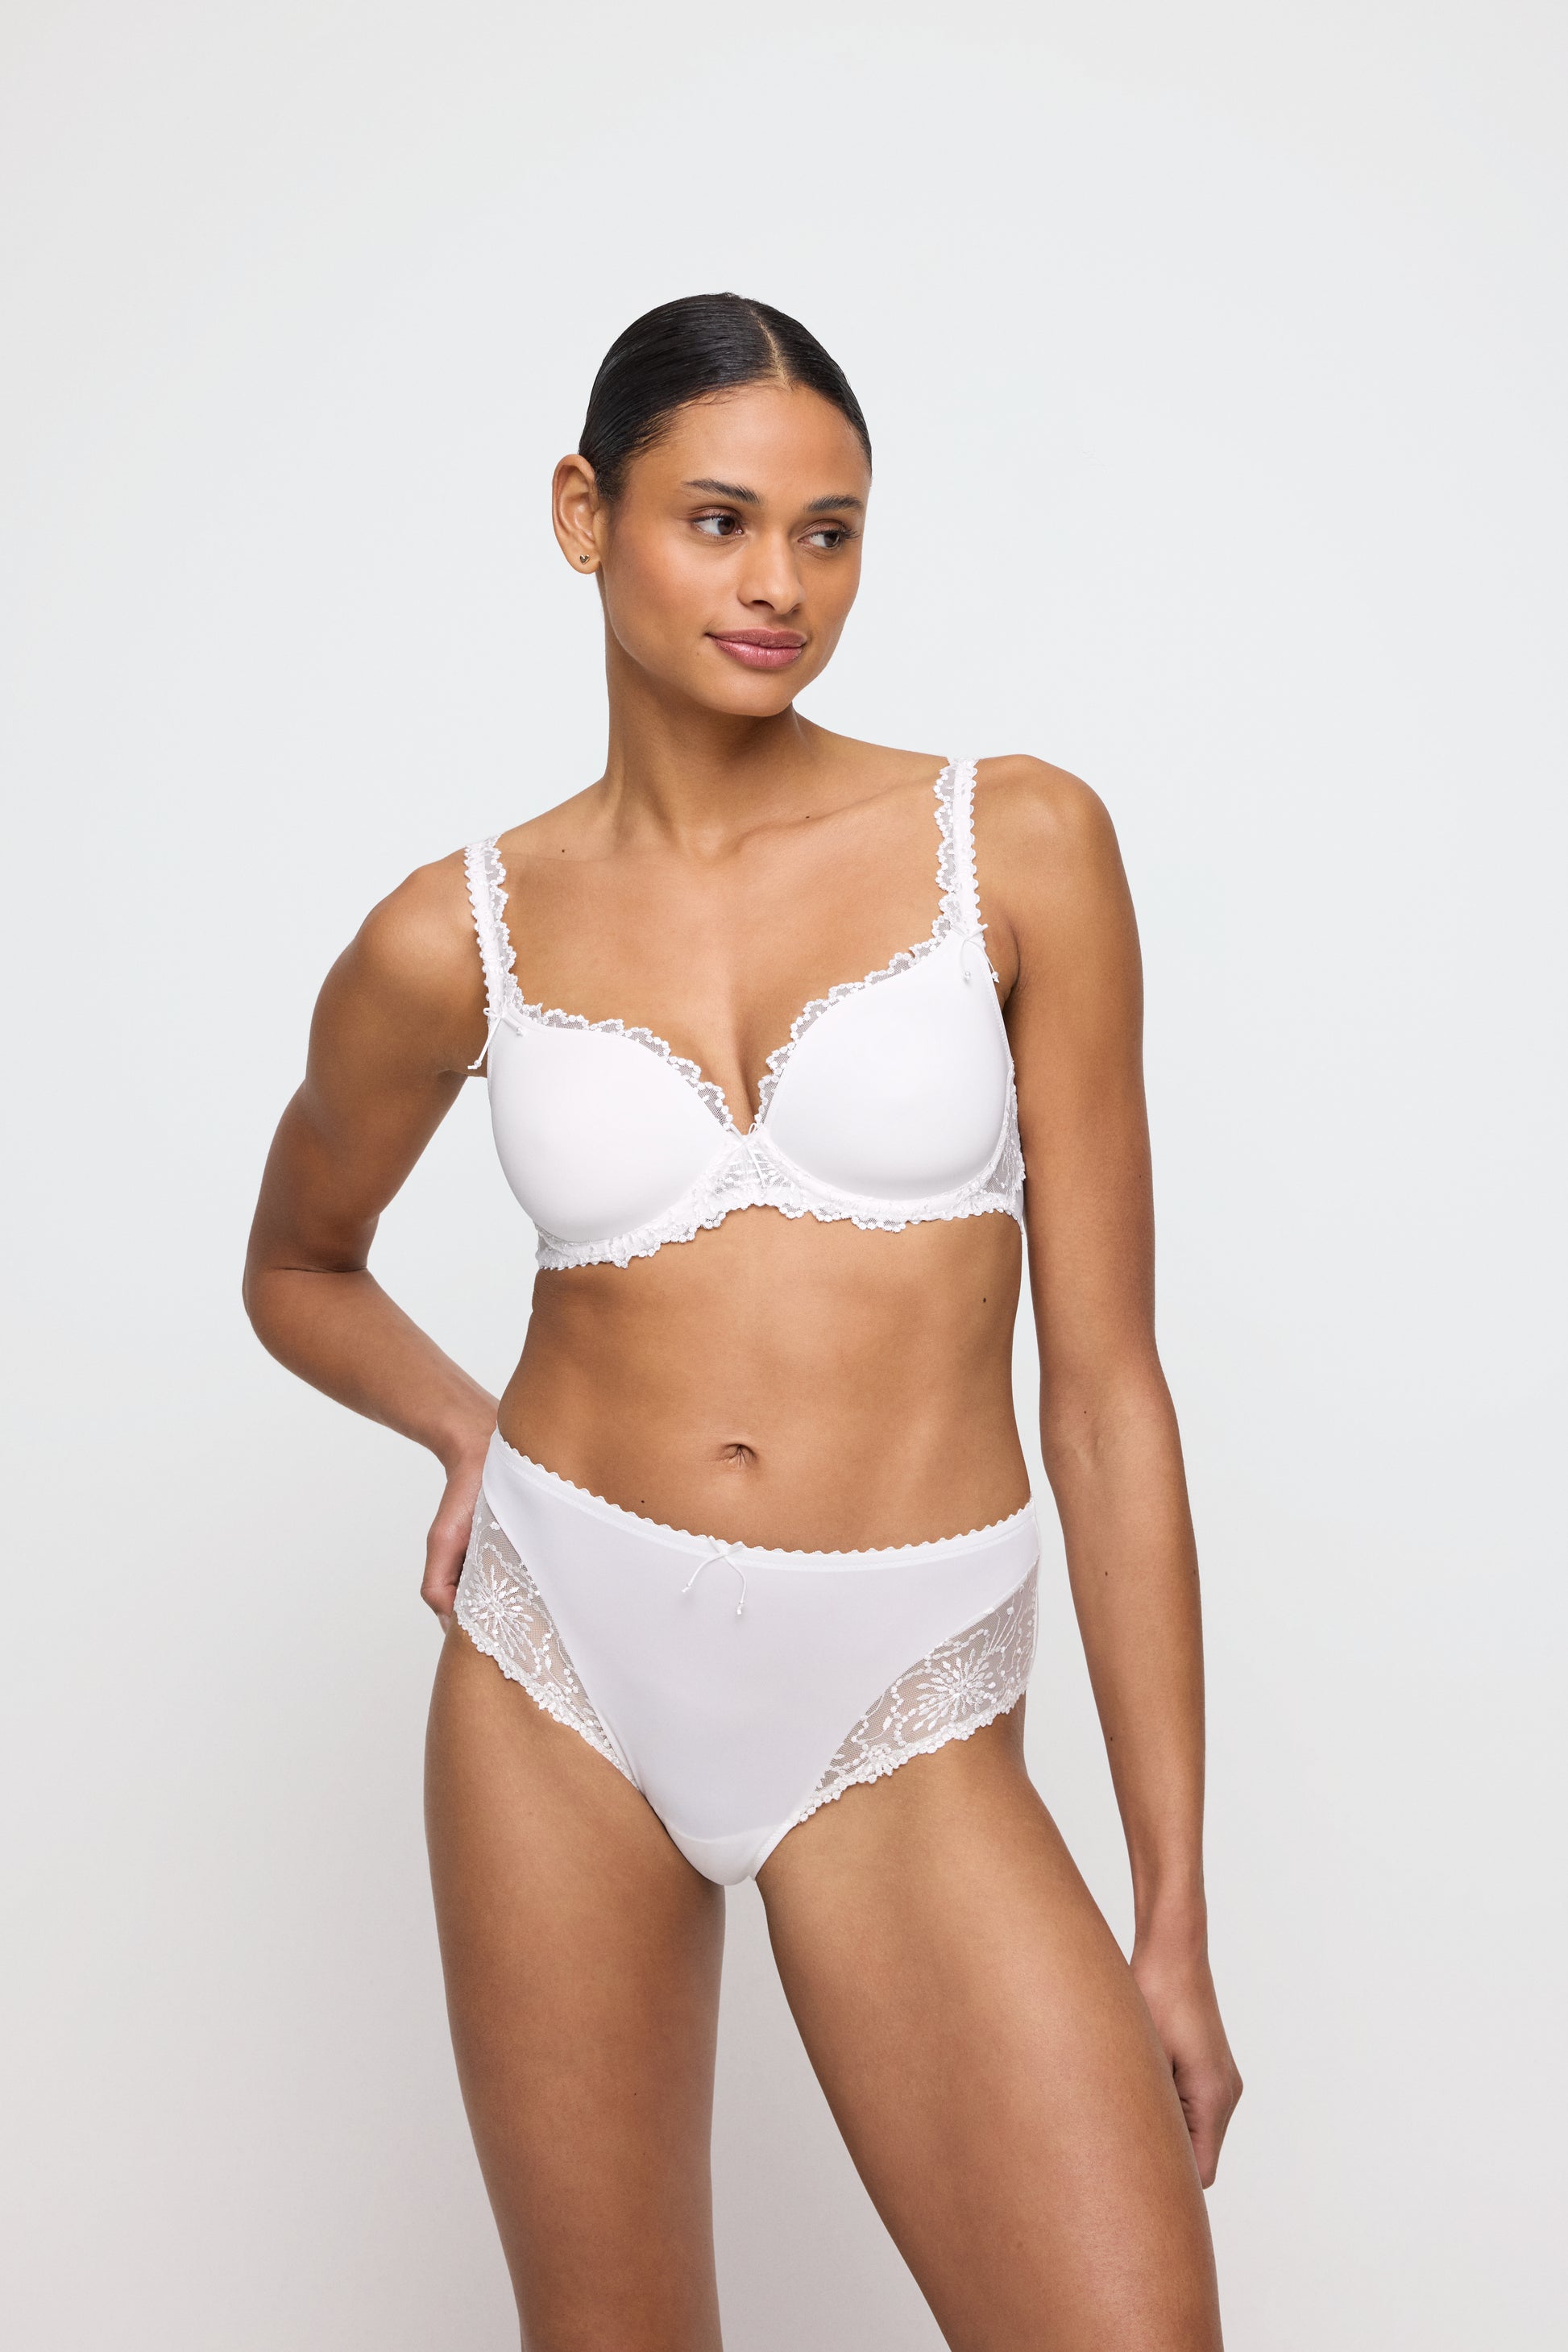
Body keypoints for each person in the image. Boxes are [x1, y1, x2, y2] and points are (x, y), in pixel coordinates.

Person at [244, 291, 1242, 2348]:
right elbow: (297, 1262)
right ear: (582, 514)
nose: (780, 584)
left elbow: (1107, 1392)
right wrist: (463, 1427)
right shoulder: (451, 933)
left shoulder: (1017, 843)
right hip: (559, 1660)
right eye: (718, 520)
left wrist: (1170, 1905)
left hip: (906, 1680)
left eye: (828, 531)